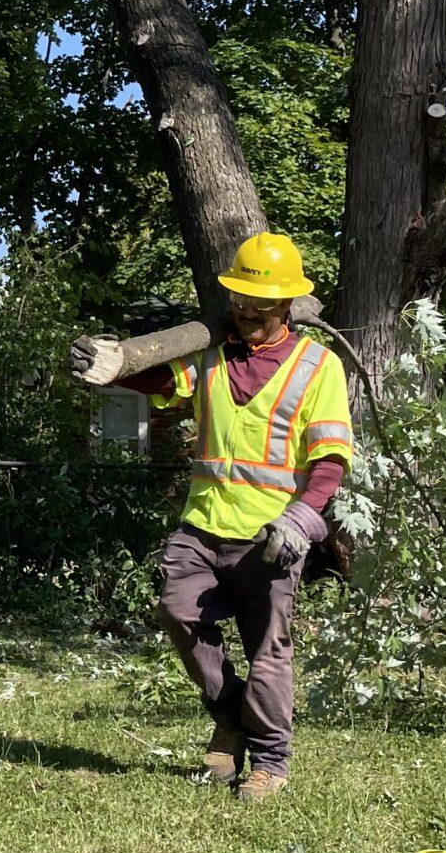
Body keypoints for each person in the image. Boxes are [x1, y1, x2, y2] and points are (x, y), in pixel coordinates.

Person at [123, 232, 354, 804]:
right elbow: (154, 380)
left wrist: (302, 520)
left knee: (267, 650)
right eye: (241, 299)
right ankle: (229, 717)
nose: (248, 311)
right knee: (178, 613)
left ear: (287, 306)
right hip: (201, 525)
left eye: (262, 303)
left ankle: (270, 762)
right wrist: (111, 361)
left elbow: (329, 460)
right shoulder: (210, 359)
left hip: (268, 538)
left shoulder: (317, 366)